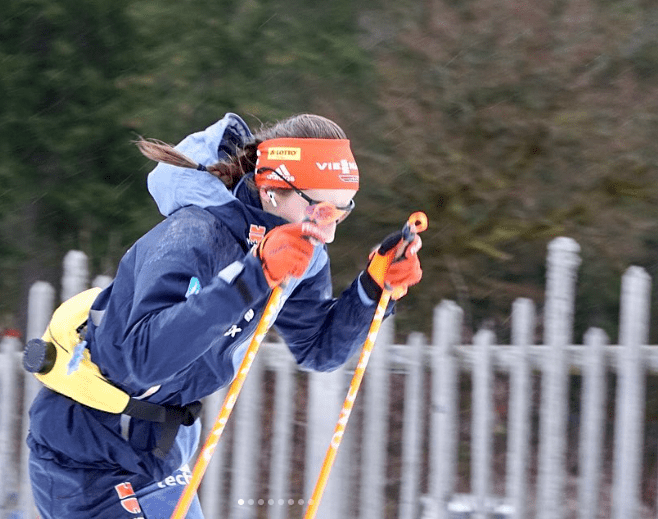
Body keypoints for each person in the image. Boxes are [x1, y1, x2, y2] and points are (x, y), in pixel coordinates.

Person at [26, 112, 423, 518]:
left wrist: (372, 292)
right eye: (319, 209)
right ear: (272, 189)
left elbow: (319, 349)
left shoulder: (302, 250)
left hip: (160, 448)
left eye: (340, 212)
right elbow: (143, 361)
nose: (329, 231)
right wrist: (252, 276)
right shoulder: (194, 235)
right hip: (88, 449)